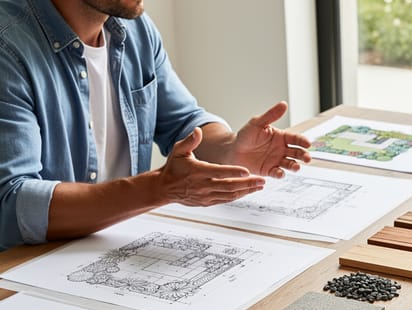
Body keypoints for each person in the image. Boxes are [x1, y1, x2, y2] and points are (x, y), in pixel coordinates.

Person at [0, 0, 311, 251]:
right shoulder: (8, 49)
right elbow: (12, 203)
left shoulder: (134, 28)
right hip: (28, 272)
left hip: (115, 245)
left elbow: (183, 120)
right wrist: (158, 188)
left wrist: (229, 148)